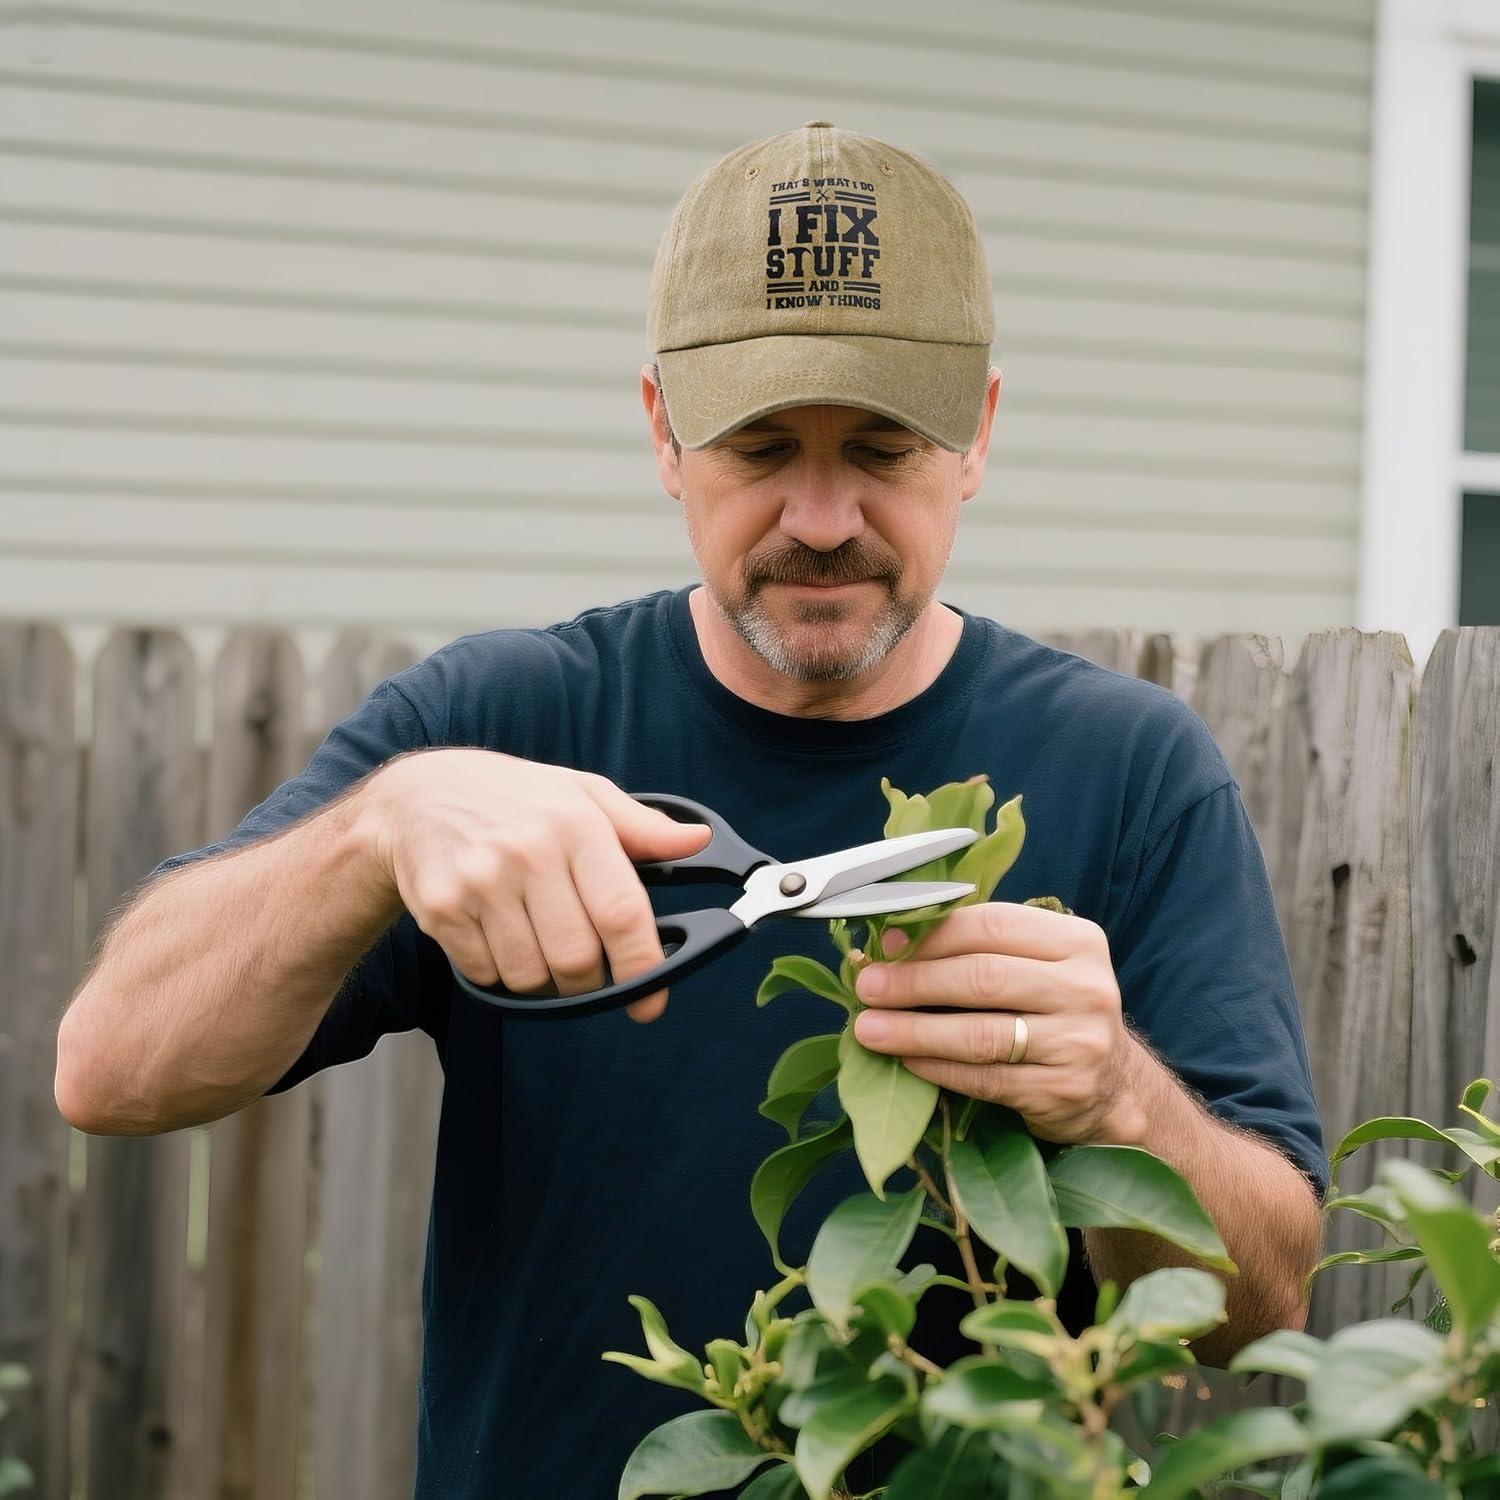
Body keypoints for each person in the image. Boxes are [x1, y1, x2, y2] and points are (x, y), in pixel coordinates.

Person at [54, 122, 1327, 1497]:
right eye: (763, 444)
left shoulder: (1131, 768)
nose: (824, 514)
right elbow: (112, 1071)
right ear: (665, 432)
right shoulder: (506, 720)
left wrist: (1119, 1100)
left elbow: (1264, 1306)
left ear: (977, 439)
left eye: (884, 447)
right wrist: (377, 832)